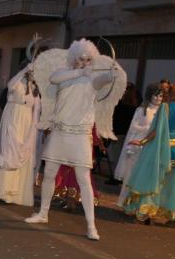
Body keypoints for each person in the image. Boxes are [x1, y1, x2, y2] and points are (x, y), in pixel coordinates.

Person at [25, 39, 123, 240]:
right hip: (60, 131)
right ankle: (43, 213)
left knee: (84, 180)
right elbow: (54, 78)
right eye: (81, 58)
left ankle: (91, 226)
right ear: (74, 57)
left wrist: (111, 74)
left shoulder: (93, 79)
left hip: (79, 135)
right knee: (50, 172)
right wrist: (80, 72)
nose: (85, 62)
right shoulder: (64, 73)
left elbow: (103, 79)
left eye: (88, 59)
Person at [123, 84, 175, 226]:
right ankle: (173, 217)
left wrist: (143, 141)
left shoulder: (166, 107)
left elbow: (157, 130)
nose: (165, 95)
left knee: (152, 179)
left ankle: (145, 213)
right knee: (174, 185)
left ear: (173, 94)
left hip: (161, 149)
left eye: (167, 92)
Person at [0, 62, 40, 206]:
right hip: (12, 120)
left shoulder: (34, 88)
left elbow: (36, 110)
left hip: (26, 123)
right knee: (9, 154)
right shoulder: (16, 82)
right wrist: (24, 70)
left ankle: (13, 195)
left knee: (22, 155)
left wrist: (33, 131)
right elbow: (10, 85)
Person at [115, 83, 163, 207]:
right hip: (137, 145)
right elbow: (133, 126)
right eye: (156, 96)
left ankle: (140, 205)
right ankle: (125, 201)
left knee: (145, 176)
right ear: (149, 96)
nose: (158, 99)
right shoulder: (142, 110)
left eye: (161, 96)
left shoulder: (162, 112)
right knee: (131, 174)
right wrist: (149, 129)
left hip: (152, 147)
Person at [105, 82, 140, 185]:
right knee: (124, 157)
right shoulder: (134, 105)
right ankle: (123, 177)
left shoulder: (119, 104)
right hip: (128, 134)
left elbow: (114, 118)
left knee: (116, 156)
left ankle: (116, 177)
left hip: (118, 133)